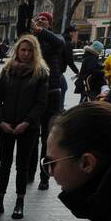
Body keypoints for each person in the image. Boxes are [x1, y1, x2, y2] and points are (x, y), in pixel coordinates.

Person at [0, 34, 48, 219]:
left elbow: (41, 103)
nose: (26, 53)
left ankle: (19, 202)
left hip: (28, 127)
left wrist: (27, 122)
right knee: (4, 165)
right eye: (23, 50)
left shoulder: (40, 73)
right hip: (5, 125)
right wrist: (0, 121)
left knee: (22, 166)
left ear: (35, 52)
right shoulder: (6, 71)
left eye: (30, 50)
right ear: (17, 50)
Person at [30, 12, 74, 190]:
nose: (40, 22)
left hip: (52, 91)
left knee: (47, 138)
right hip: (33, 92)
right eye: (38, 19)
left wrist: (40, 30)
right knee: (32, 136)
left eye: (44, 20)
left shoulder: (53, 38)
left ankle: (44, 176)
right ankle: (29, 172)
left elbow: (60, 43)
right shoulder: (32, 41)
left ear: (49, 24)